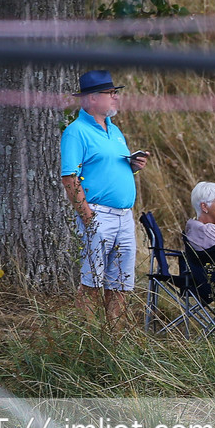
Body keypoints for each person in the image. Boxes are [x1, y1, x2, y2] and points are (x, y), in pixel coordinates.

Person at [60, 70, 149, 323]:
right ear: (91, 99)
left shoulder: (115, 130)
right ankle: (86, 341)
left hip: (124, 217)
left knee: (121, 284)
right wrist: (88, 218)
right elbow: (70, 178)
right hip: (98, 215)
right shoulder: (76, 132)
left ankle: (114, 342)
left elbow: (107, 167)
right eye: (110, 93)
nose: (115, 98)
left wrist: (133, 165)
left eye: (115, 93)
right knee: (92, 282)